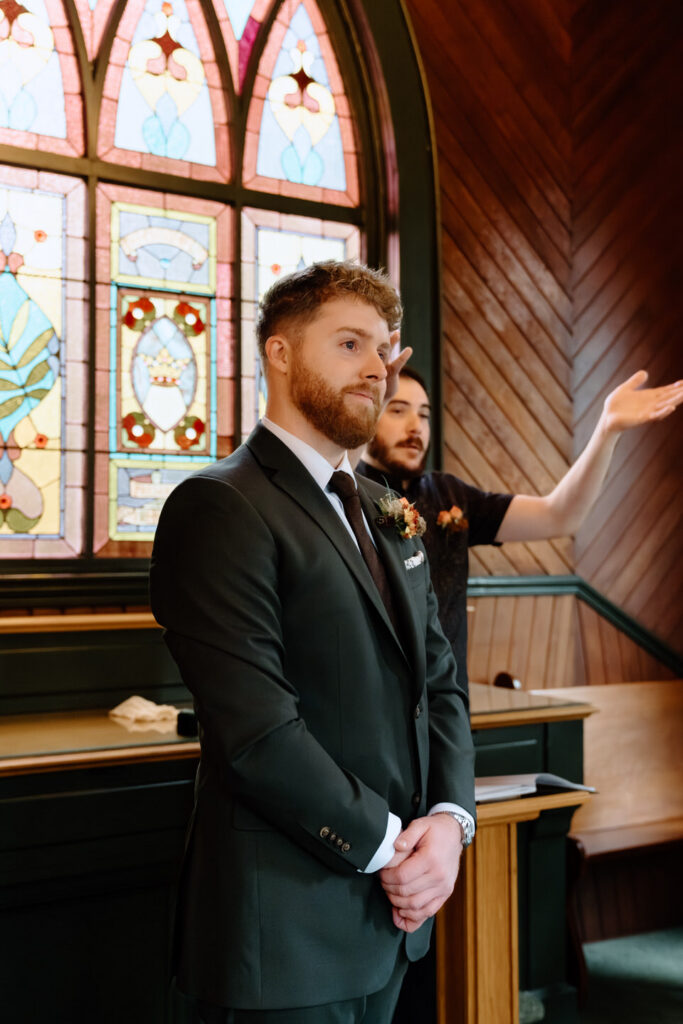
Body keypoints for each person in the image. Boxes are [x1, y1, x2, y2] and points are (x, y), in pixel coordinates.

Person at [150, 261, 477, 1024]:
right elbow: (256, 733)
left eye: (383, 349)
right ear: (280, 351)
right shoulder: (220, 504)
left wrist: (450, 823)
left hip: (393, 918)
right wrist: (392, 848)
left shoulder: (383, 507)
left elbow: (438, 679)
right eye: (349, 344)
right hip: (285, 928)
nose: (376, 368)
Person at [358, 365, 683, 694]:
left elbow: (559, 516)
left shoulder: (449, 494)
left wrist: (606, 432)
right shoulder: (345, 494)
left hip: (447, 703)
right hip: (376, 698)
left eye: (425, 415)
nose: (416, 426)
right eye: (398, 410)